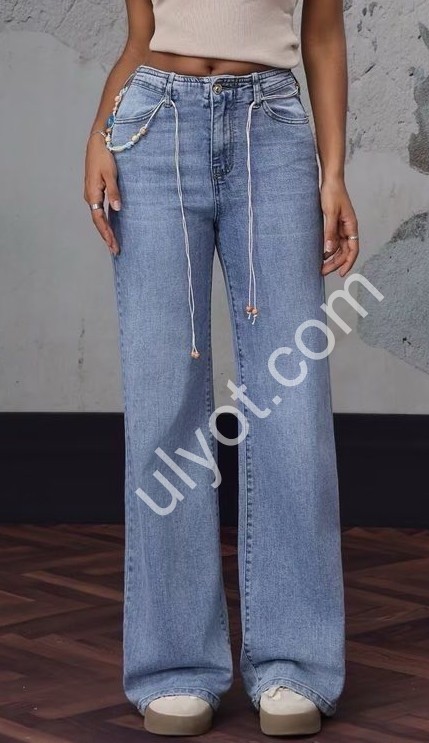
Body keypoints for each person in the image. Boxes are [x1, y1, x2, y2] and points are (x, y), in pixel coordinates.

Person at [84, 0, 359, 736]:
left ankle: (295, 661)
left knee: (291, 400)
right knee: (163, 397)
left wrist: (334, 173)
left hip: (272, 129)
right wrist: (100, 132)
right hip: (149, 127)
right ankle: (174, 664)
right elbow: (141, 37)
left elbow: (322, 32)